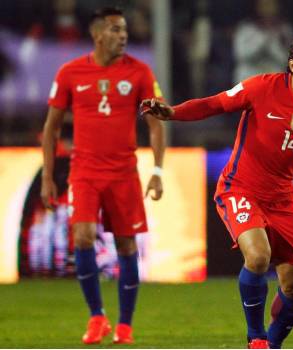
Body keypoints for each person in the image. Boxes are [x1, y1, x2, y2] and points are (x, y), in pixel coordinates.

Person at [142, 31, 293, 349]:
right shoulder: (261, 87)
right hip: (239, 188)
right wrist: (174, 113)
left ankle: (272, 345)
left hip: (282, 198)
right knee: (257, 256)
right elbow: (215, 104)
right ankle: (256, 338)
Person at [41, 7, 165, 345]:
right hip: (84, 171)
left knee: (125, 244)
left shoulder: (139, 72)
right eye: (115, 30)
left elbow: (155, 125)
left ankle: (125, 325)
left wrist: (156, 170)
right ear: (98, 34)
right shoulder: (70, 72)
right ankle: (97, 317)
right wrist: (48, 177)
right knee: (81, 237)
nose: (123, 35)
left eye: (124, 30)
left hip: (124, 171)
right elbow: (51, 128)